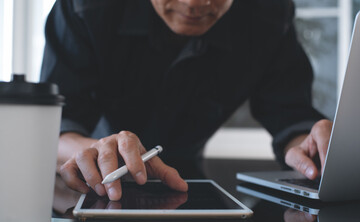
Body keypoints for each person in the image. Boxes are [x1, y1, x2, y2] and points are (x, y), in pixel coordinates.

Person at [40, 0, 332, 201]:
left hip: (191, 182)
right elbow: (54, 130)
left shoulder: (269, 13)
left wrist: (312, 146)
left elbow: (291, 116)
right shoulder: (86, 7)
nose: (194, 3)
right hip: (95, 183)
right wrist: (94, 151)